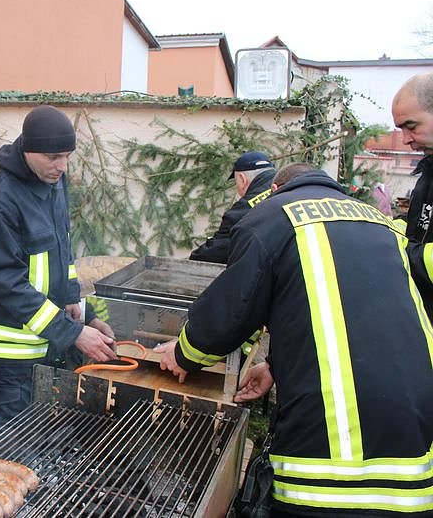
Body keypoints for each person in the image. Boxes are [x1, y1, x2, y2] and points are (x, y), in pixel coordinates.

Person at [156, 164, 433, 516]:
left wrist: (183, 354)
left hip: (331, 453)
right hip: (416, 446)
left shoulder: (270, 217)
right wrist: (274, 365)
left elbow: (231, 311)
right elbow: (352, 310)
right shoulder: (377, 222)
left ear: (274, 189)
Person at [0, 105, 117, 444]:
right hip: (5, 347)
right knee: (2, 442)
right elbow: (9, 285)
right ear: (27, 149)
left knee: (33, 434)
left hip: (42, 338)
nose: (62, 166)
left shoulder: (52, 184)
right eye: (53, 157)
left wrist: (78, 306)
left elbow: (61, 250)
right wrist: (72, 333)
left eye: (67, 156)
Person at [392, 72, 433, 317]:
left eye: (411, 126)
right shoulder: (428, 172)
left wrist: (392, 249)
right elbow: (418, 228)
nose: (405, 139)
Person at [189, 151, 276, 264]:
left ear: (242, 179)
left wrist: (196, 256)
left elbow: (219, 249)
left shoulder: (244, 209)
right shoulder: (289, 187)